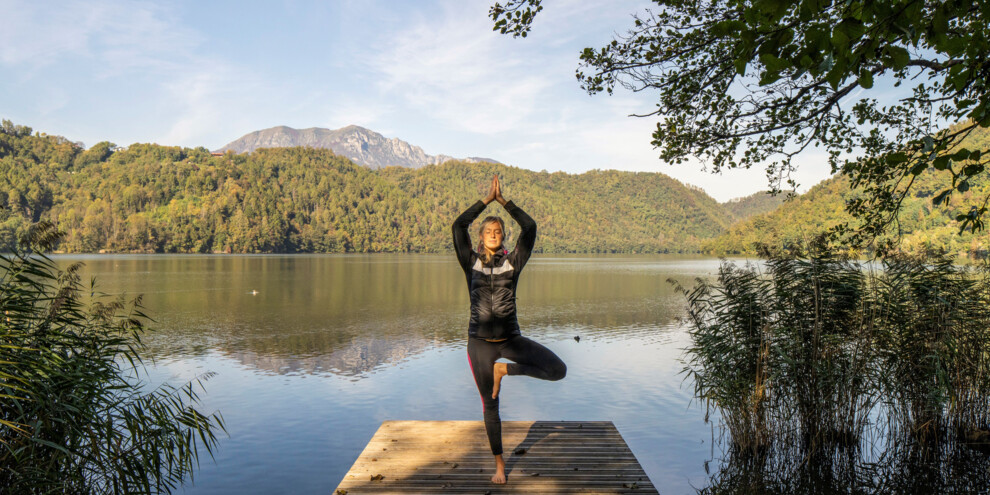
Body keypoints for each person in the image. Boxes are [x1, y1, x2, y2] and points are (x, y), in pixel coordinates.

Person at [452, 174, 567, 485]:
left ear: (503, 237)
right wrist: (486, 200)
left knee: (558, 370)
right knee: (490, 405)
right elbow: (457, 226)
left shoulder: (513, 261)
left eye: (498, 231)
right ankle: (500, 466)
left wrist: (504, 202)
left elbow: (529, 228)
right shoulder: (470, 262)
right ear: (481, 237)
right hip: (479, 344)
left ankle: (507, 371)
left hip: (510, 341)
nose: (493, 233)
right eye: (489, 230)